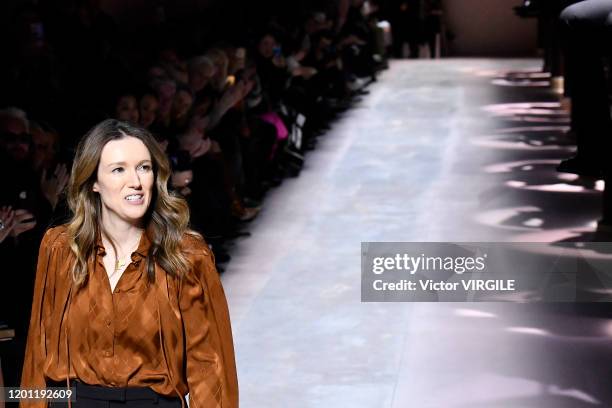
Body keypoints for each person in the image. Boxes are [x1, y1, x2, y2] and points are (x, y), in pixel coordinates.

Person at [20, 119, 238, 407]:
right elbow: (39, 350)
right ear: (93, 181)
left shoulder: (185, 254)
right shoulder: (60, 248)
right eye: (118, 169)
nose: (135, 181)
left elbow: (210, 365)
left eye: (144, 167)